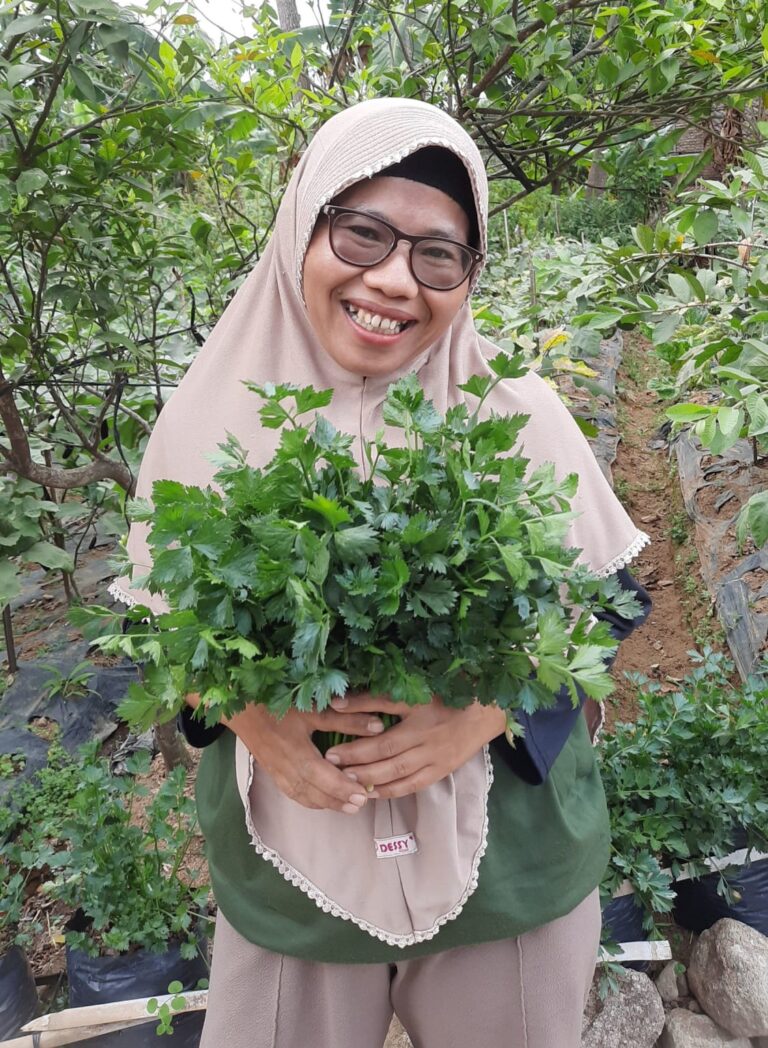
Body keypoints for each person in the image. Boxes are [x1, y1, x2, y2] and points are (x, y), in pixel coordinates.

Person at [110, 98, 650, 1048]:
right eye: (361, 232)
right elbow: (170, 636)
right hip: (293, 869)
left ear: (467, 274)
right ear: (301, 228)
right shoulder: (208, 422)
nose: (395, 280)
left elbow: (609, 604)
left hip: (508, 868)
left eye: (436, 253)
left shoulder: (512, 412)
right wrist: (249, 716)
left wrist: (484, 711)